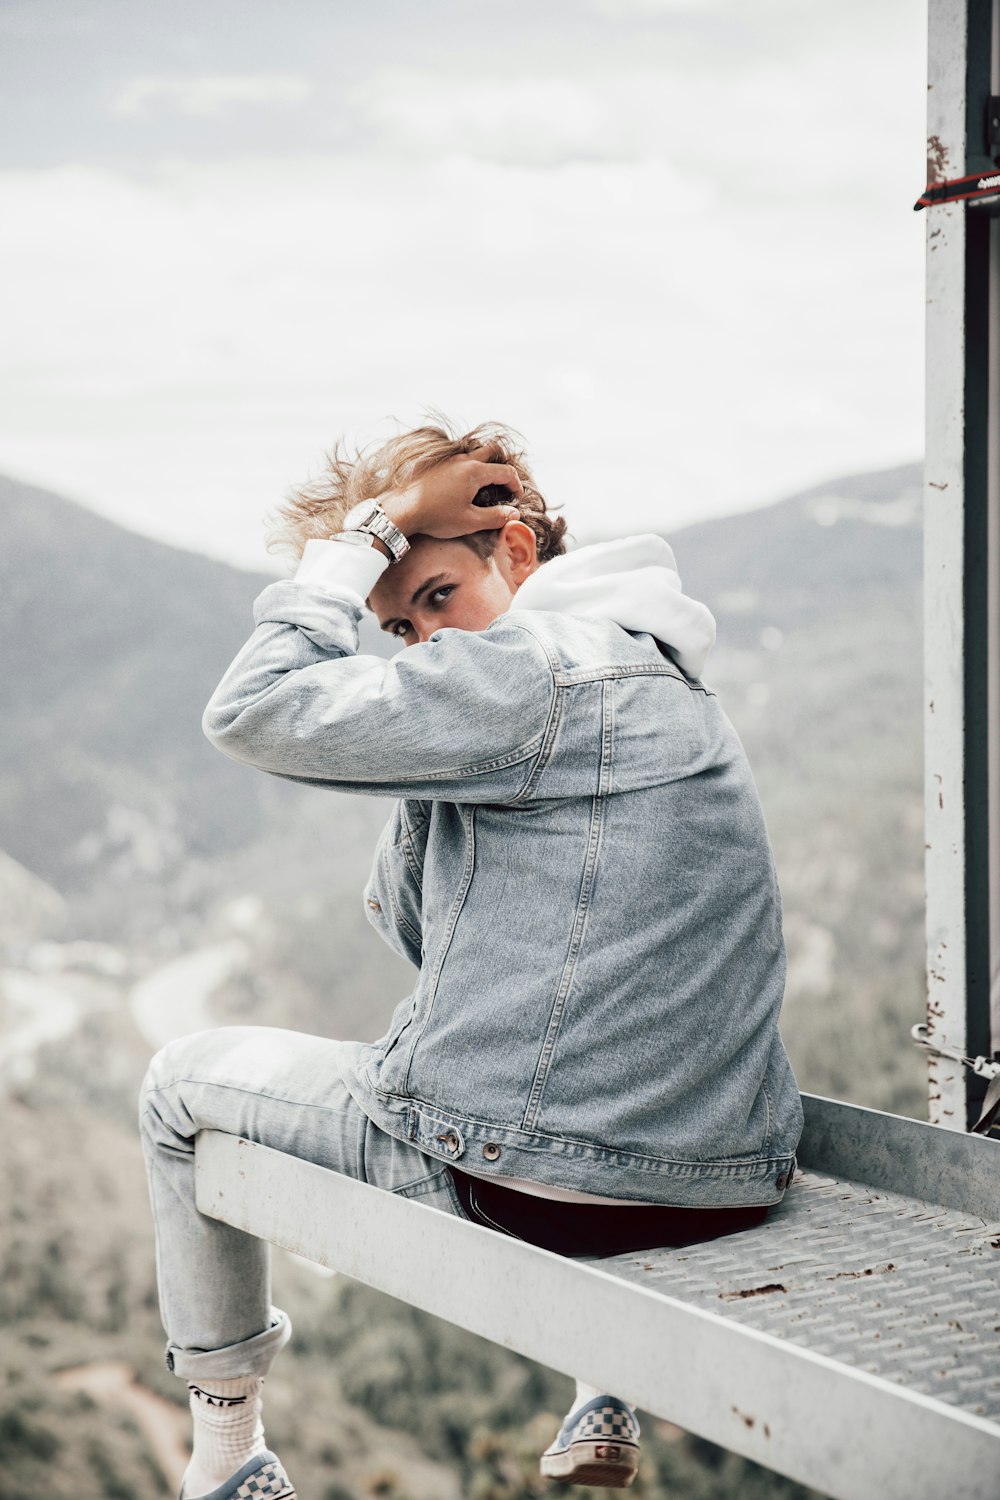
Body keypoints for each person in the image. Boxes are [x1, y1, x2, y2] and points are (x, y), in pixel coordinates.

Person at [139, 419, 803, 1499]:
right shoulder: (659, 675)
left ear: (519, 555)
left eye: (438, 598)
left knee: (176, 1085)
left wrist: (345, 557)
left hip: (548, 1183)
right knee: (618, 1048)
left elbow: (252, 711)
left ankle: (225, 1456)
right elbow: (412, 919)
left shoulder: (534, 675)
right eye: (398, 627)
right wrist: (433, 760)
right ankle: (606, 1380)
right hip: (726, 1180)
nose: (424, 645)